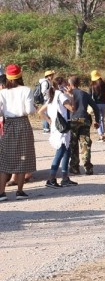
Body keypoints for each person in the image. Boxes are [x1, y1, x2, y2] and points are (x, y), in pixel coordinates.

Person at [1, 65, 38, 199]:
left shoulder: (3, 92)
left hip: (8, 124)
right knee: (23, 157)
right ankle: (20, 191)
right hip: (22, 123)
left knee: (5, 159)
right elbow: (29, 110)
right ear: (20, 76)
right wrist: (34, 108)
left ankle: (2, 193)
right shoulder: (26, 90)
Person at [40, 75, 77, 188]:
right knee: (61, 152)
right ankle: (51, 179)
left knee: (66, 151)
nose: (67, 86)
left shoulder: (51, 96)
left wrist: (49, 121)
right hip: (62, 128)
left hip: (56, 127)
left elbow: (40, 112)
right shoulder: (60, 95)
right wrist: (71, 95)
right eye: (66, 84)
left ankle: (65, 178)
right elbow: (72, 109)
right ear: (61, 85)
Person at [67, 76, 94, 176]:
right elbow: (94, 106)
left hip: (73, 120)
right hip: (84, 120)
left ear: (69, 84)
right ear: (79, 83)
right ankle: (88, 167)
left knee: (73, 144)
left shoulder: (68, 94)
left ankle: (74, 168)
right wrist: (97, 120)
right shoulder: (85, 94)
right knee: (85, 144)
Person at [90, 69, 105, 141]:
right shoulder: (103, 84)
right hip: (104, 103)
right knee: (102, 119)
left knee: (98, 119)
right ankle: (102, 134)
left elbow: (89, 95)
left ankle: (101, 135)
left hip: (96, 104)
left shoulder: (92, 85)